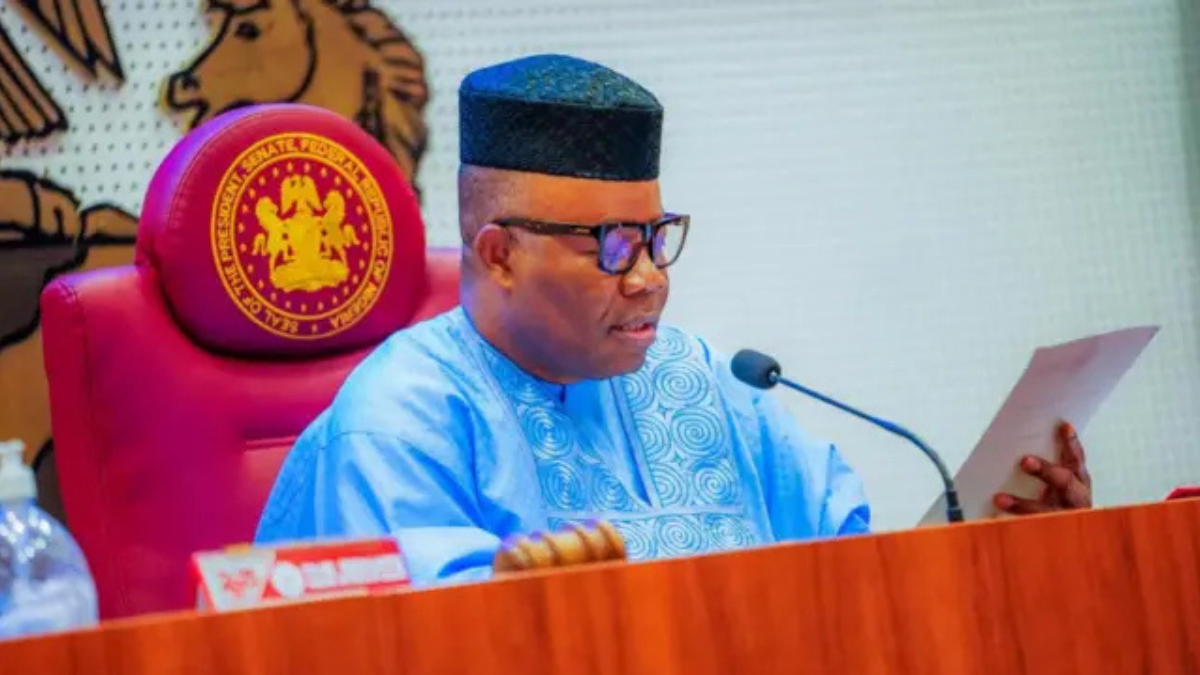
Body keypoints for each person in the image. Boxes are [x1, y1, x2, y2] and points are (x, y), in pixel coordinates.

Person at [254, 53, 1092, 585]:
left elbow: (858, 578)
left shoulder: (701, 378)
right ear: (500, 253)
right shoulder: (398, 424)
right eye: (613, 246)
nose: (651, 278)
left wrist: (1010, 547)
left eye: (658, 237)